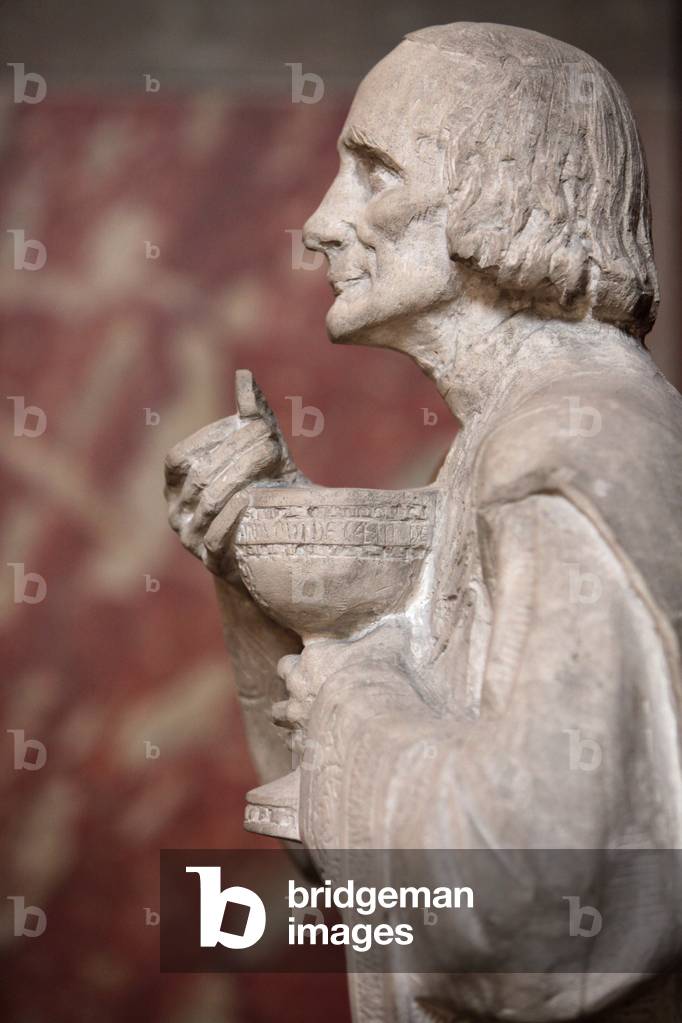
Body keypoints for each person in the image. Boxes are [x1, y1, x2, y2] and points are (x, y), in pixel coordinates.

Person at [165, 23, 682, 1022]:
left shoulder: (571, 452)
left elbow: (534, 909)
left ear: (500, 192)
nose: (319, 222)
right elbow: (383, 888)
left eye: (373, 170)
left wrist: (355, 679)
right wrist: (258, 541)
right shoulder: (514, 439)